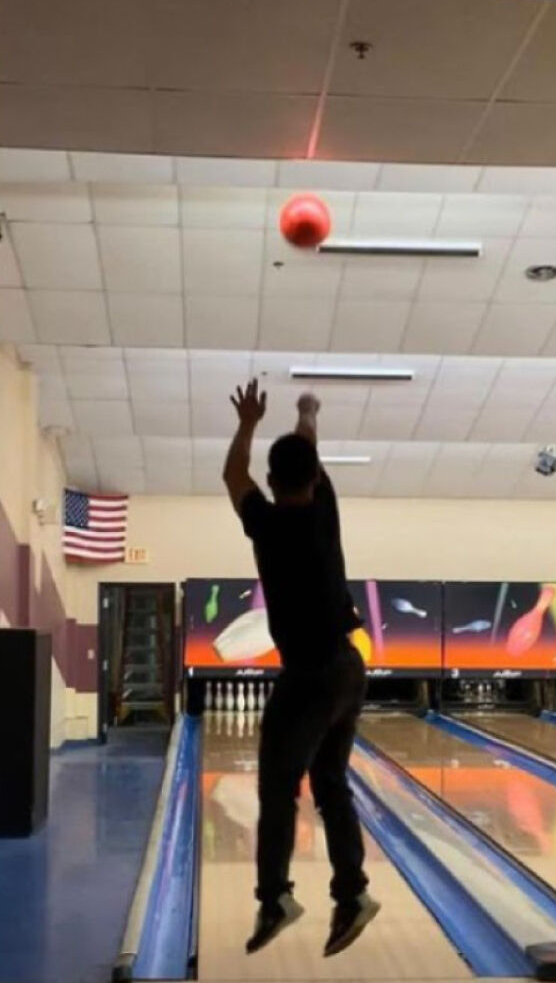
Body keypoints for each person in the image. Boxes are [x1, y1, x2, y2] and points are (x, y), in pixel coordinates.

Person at [222, 379, 380, 957]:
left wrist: (247, 421)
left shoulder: (264, 522)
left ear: (272, 481)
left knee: (276, 789)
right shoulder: (325, 512)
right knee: (332, 783)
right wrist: (306, 410)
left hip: (307, 676)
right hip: (348, 669)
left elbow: (231, 475)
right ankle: (353, 893)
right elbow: (306, 444)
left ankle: (275, 898)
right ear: (317, 479)